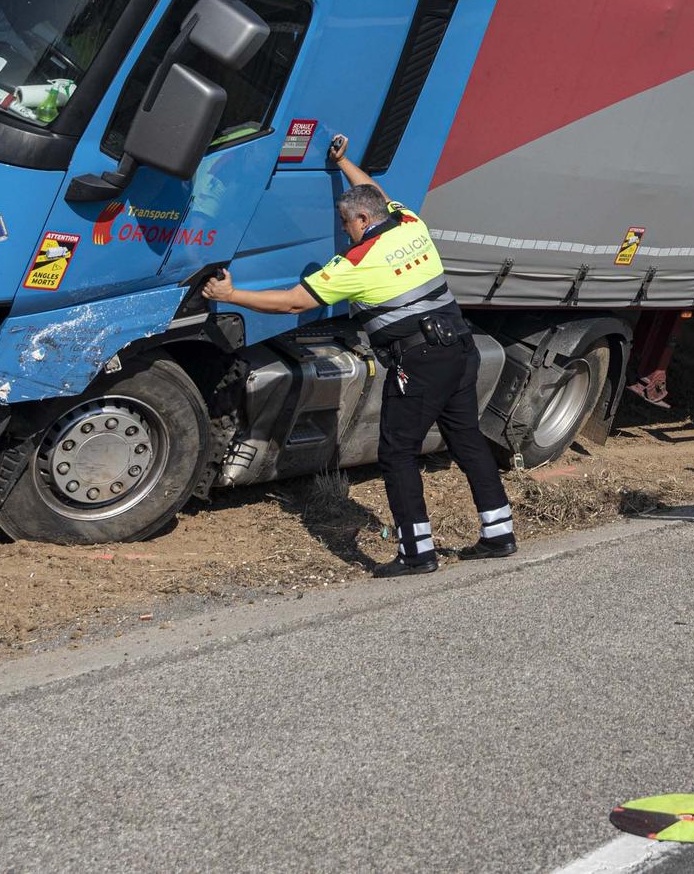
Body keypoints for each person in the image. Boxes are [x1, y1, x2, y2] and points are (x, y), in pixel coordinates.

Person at [202, 134, 515, 576]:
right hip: (461, 349)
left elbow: (294, 302)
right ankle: (499, 532)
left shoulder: (356, 263)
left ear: (363, 220)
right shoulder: (410, 224)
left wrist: (232, 294)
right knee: (466, 440)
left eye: (347, 224)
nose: (344, 232)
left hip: (420, 361)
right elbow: (379, 193)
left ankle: (416, 552)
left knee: (397, 453)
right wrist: (345, 163)